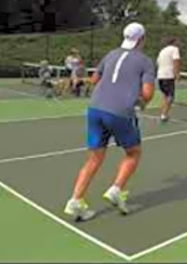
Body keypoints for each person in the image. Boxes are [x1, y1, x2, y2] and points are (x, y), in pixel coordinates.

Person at [64, 22, 155, 221]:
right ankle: (116, 189)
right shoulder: (146, 61)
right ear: (141, 39)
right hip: (120, 112)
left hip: (95, 108)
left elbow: (95, 80)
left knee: (94, 158)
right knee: (133, 152)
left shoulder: (110, 54)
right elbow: (148, 94)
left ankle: (76, 200)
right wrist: (140, 101)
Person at [156, 37, 181, 122]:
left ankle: (163, 114)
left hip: (160, 76)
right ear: (174, 42)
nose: (179, 43)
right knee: (171, 96)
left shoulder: (162, 51)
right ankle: (164, 115)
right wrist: (177, 74)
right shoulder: (175, 49)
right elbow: (176, 61)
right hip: (168, 76)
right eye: (177, 41)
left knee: (165, 96)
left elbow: (158, 62)